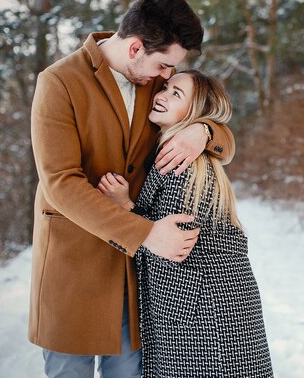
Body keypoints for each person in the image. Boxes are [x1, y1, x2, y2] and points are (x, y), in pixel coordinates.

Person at [29, 0, 235, 378]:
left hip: (133, 275)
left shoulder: (151, 80)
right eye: (163, 65)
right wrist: (145, 234)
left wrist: (204, 132)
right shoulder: (58, 82)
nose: (167, 76)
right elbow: (61, 182)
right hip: (74, 263)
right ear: (136, 47)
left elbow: (209, 116)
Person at [99, 70, 274, 377]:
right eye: (165, 87)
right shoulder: (179, 154)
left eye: (175, 94)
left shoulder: (183, 164)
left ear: (194, 113)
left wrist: (124, 207)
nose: (161, 95)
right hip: (207, 309)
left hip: (204, 318)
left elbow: (170, 247)